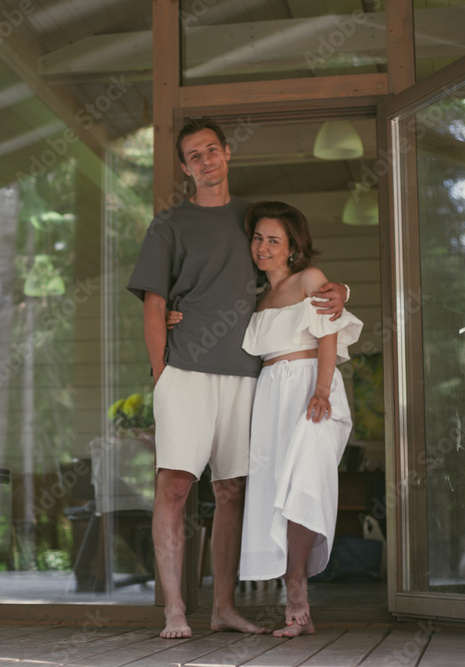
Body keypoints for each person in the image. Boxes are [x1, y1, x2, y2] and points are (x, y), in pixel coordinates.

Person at [126, 117, 349, 639]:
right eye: (194, 156)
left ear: (227, 153)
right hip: (185, 371)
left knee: (232, 491)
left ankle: (223, 608)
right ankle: (174, 610)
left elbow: (293, 280)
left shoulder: (252, 222)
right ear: (185, 168)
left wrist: (338, 290)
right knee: (175, 485)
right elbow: (154, 305)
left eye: (211, 150)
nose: (205, 160)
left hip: (248, 378)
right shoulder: (169, 224)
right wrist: (161, 374)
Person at [237, 200, 363, 637]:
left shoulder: (309, 279)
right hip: (271, 395)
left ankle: (295, 589)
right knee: (280, 489)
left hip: (312, 389)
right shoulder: (257, 299)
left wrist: (322, 390)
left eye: (274, 240)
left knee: (306, 484)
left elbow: (327, 335)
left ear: (292, 248)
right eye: (258, 238)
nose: (263, 247)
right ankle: (297, 600)